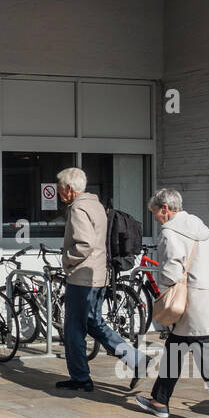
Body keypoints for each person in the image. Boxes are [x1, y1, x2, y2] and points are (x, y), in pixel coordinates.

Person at [132, 187, 209, 418]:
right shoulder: (204, 231)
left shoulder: (170, 232)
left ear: (165, 209)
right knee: (175, 347)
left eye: (155, 213)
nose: (156, 218)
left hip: (191, 303)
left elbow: (171, 271)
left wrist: (163, 288)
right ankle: (159, 401)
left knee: (206, 359)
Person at [54, 167, 148, 392]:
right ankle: (137, 360)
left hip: (82, 277)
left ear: (69, 189)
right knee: (94, 323)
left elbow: (84, 244)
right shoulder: (96, 205)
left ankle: (80, 378)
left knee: (74, 328)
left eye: (60, 189)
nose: (59, 193)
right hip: (98, 275)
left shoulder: (78, 208)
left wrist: (66, 260)